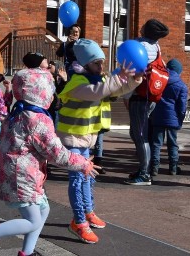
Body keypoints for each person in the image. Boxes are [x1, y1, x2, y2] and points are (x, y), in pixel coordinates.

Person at [0, 67, 97, 256]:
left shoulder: (18, 112)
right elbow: (57, 153)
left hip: (19, 172)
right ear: (41, 90)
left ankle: (27, 252)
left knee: (43, 211)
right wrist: (83, 163)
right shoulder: (37, 119)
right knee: (33, 221)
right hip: (23, 175)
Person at [57, 39, 142, 244]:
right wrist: (117, 77)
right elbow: (98, 92)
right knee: (77, 180)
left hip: (86, 139)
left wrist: (134, 79)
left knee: (88, 178)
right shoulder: (77, 82)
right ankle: (78, 221)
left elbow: (114, 91)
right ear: (85, 63)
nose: (102, 67)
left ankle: (88, 211)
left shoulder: (96, 79)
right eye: (97, 63)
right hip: (72, 139)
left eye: (103, 62)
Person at [125, 19, 169, 186]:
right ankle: (143, 169)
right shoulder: (156, 46)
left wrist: (126, 95)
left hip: (140, 95)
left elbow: (133, 70)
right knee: (137, 133)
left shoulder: (141, 46)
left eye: (144, 25)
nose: (140, 26)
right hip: (151, 96)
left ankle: (144, 174)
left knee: (140, 135)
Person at [149, 58, 188, 176]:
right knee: (173, 143)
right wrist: (180, 120)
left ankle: (154, 167)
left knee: (156, 143)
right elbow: (182, 107)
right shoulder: (182, 86)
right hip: (173, 118)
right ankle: (173, 168)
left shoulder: (160, 81)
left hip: (158, 116)